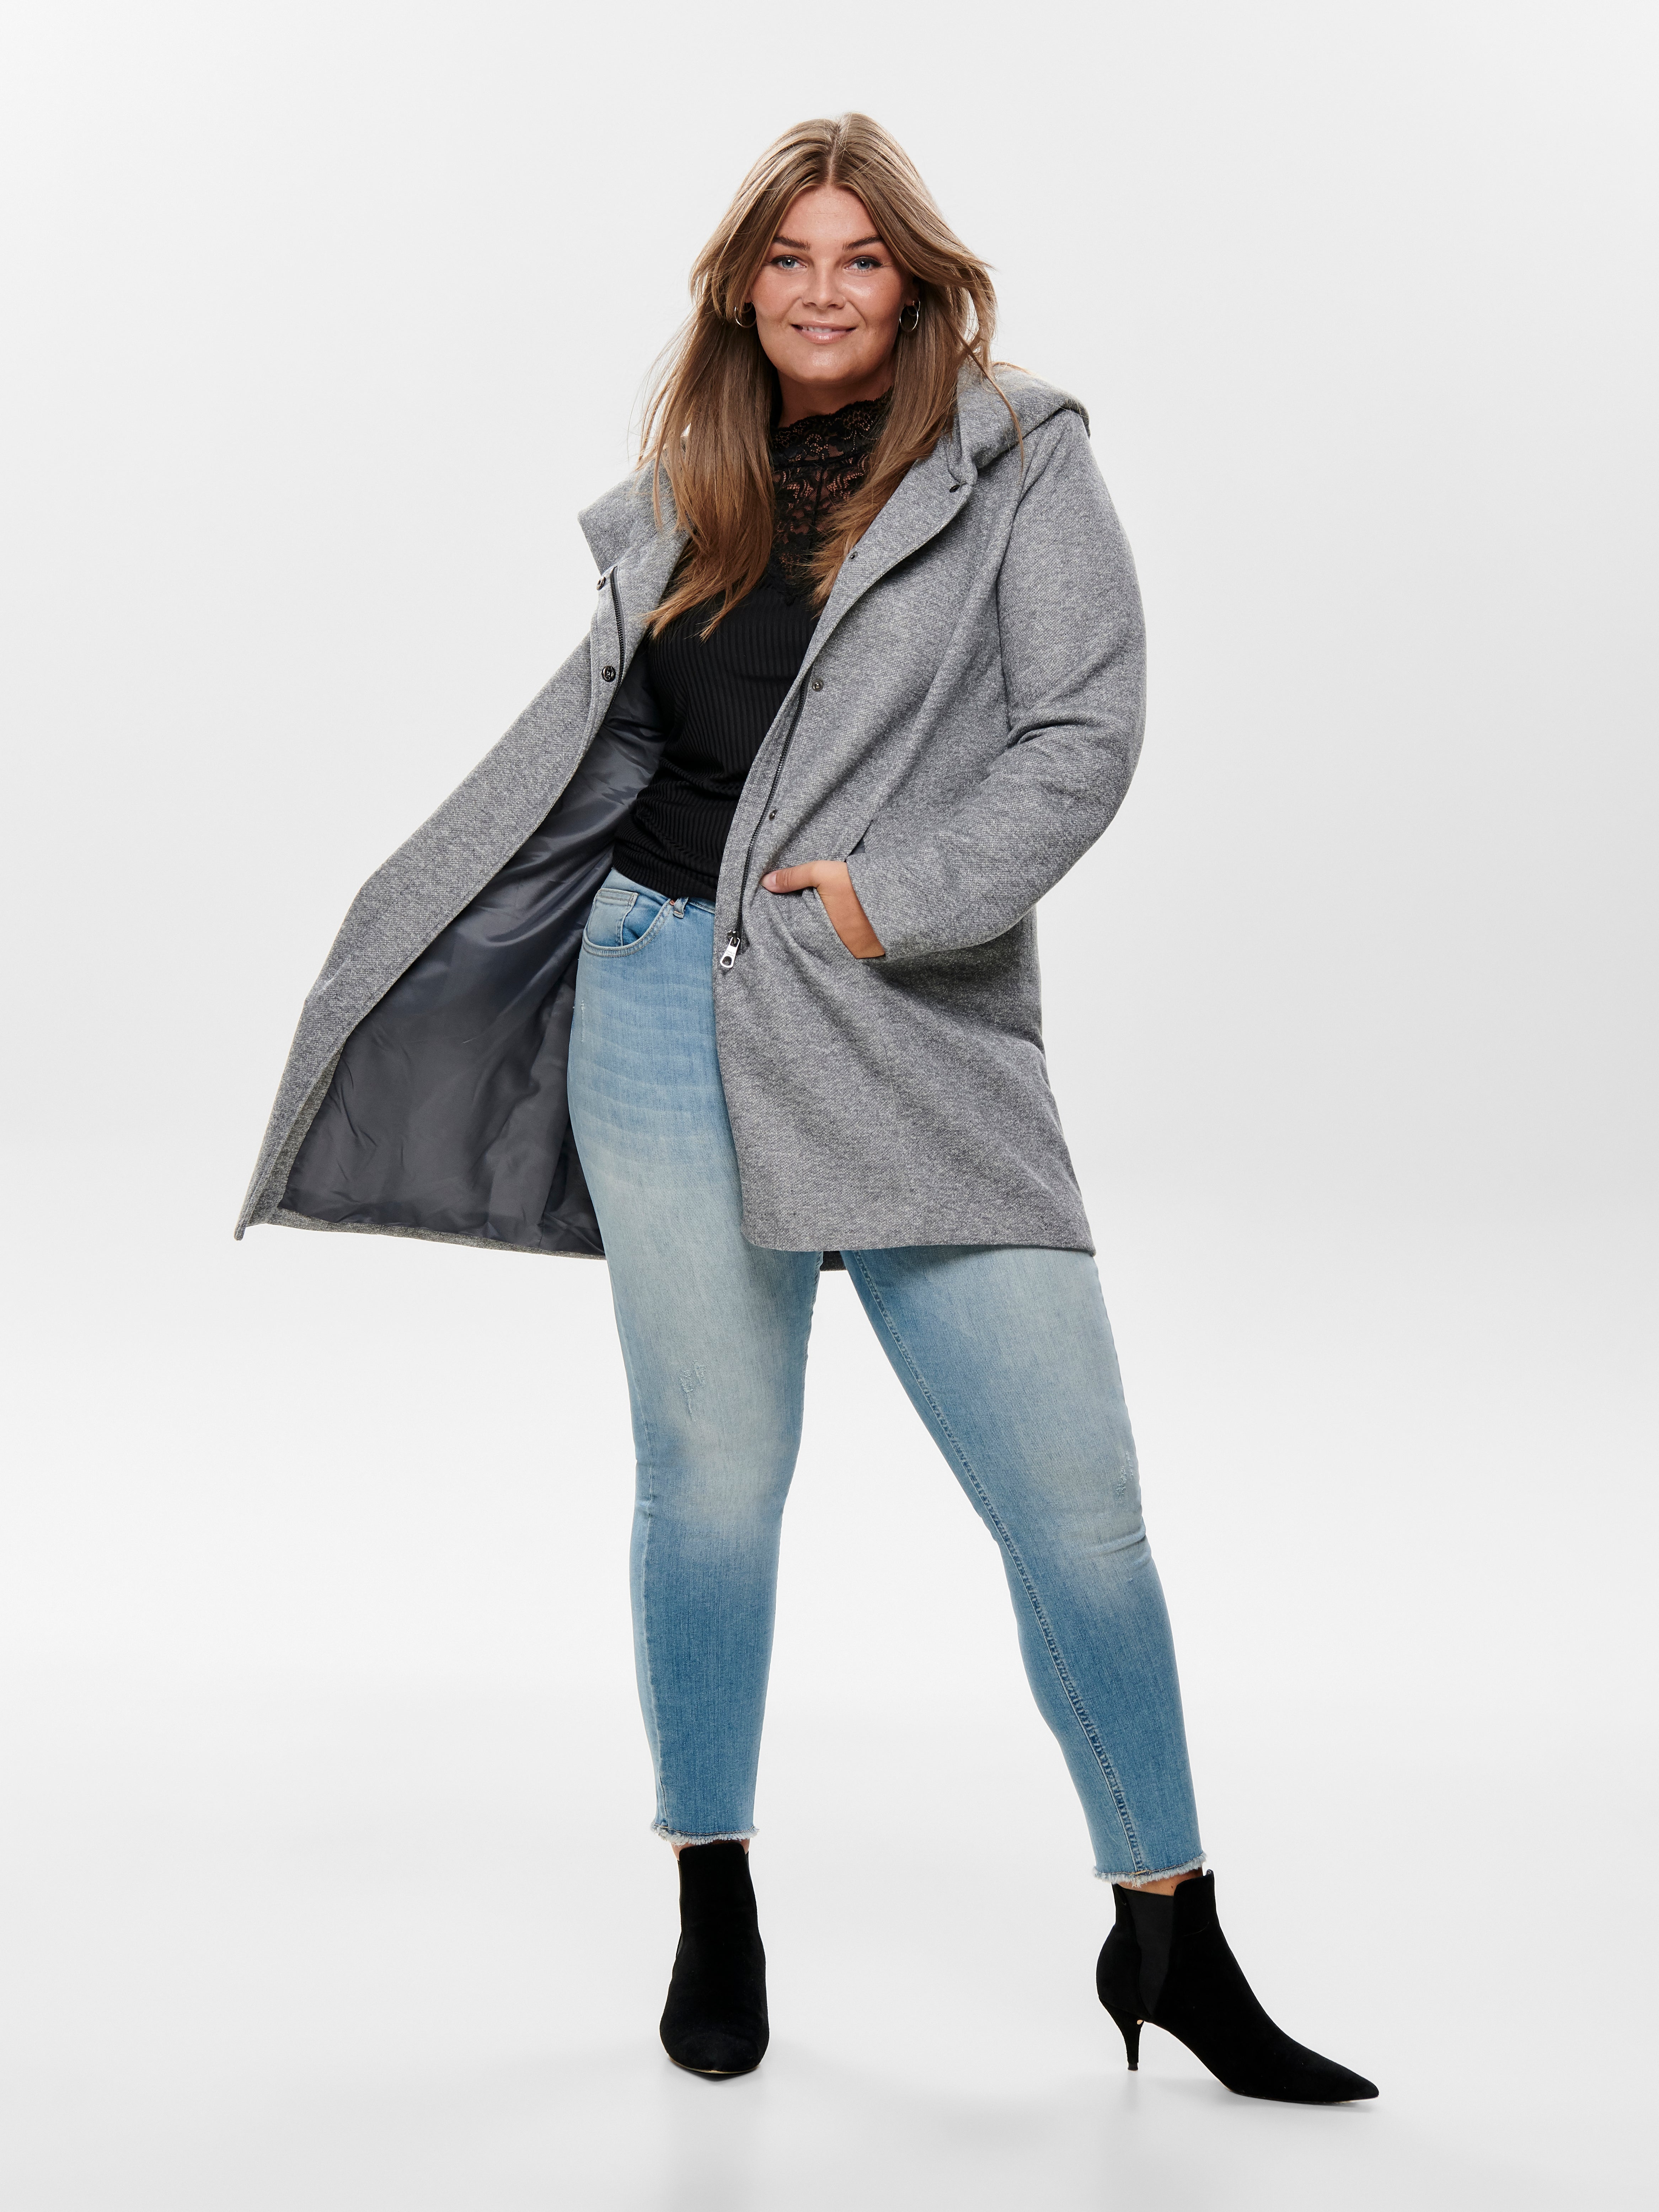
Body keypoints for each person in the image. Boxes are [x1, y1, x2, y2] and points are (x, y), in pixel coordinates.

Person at [239, 113, 1376, 2105]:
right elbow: (603, 750)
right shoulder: (690, 486)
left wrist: (892, 900)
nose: (825, 290)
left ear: (916, 284)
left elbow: (1084, 731)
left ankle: (1171, 1927)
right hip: (658, 993)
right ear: (742, 291)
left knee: (1078, 1507)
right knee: (712, 1483)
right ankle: (714, 1894)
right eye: (790, 259)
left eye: (860, 257)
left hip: (908, 1019)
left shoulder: (1022, 462)